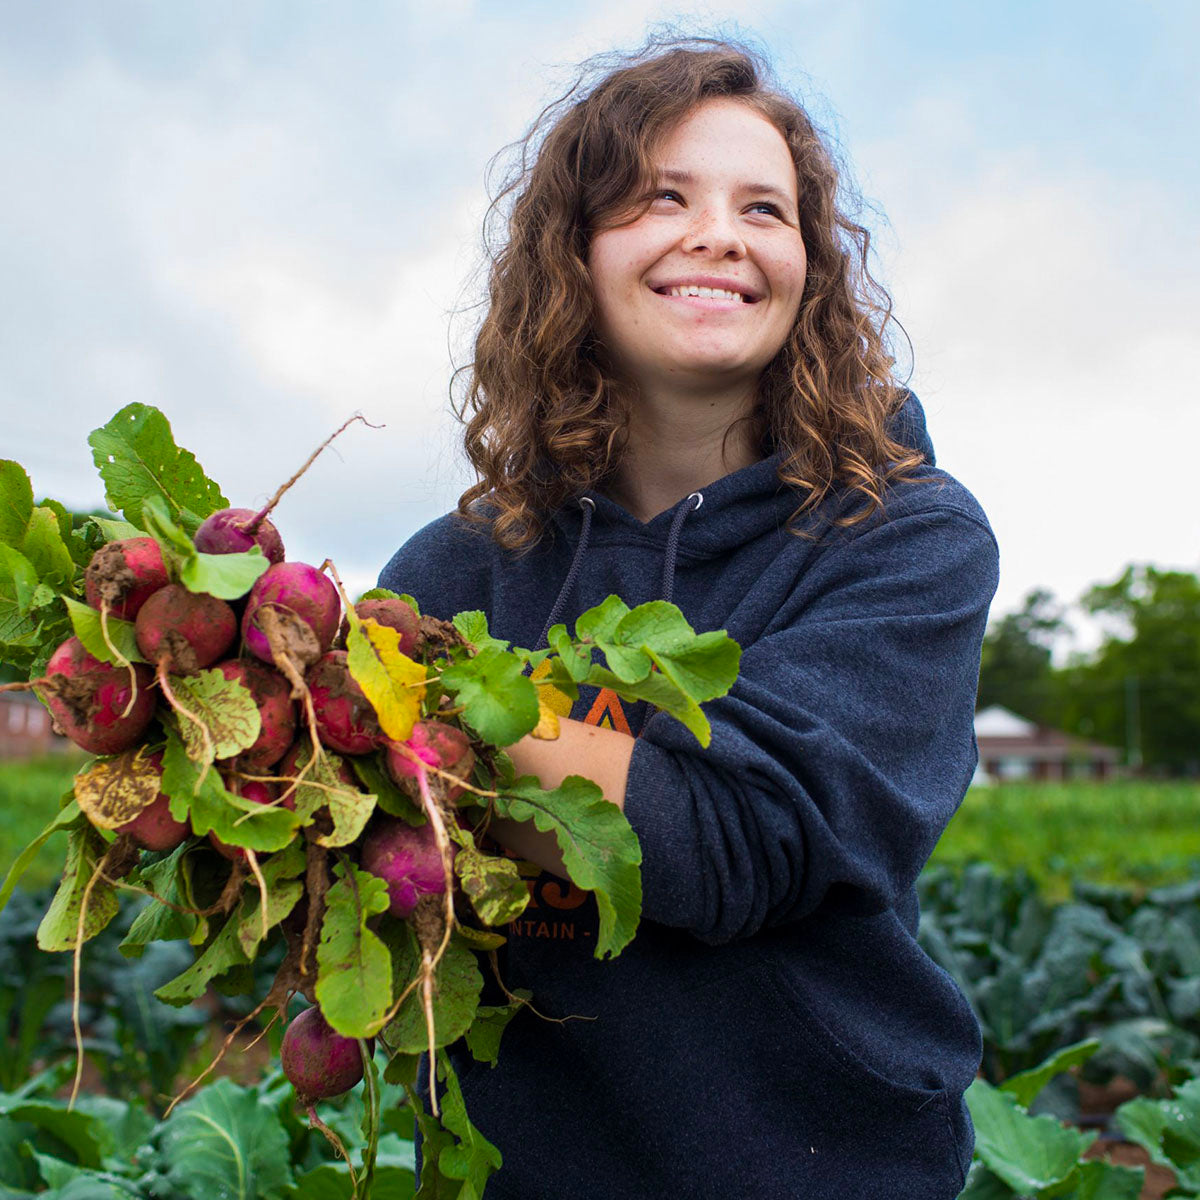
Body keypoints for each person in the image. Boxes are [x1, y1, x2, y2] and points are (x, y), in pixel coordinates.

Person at [379, 37, 998, 1200]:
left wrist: (405, 712)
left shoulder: (903, 537)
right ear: (575, 253)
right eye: (663, 197)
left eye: (765, 208)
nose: (720, 233)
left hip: (822, 1170)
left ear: (808, 266)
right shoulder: (454, 570)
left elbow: (729, 846)